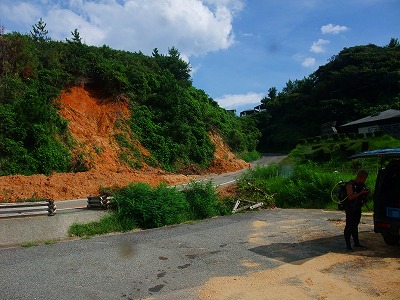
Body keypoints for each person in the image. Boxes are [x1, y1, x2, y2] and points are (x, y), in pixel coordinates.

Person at [344, 169, 370, 252]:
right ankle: (348, 246)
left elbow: (363, 196)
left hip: (357, 207)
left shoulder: (361, 184)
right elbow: (350, 197)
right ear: (361, 177)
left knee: (355, 225)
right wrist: (361, 193)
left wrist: (366, 193)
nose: (365, 180)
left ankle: (356, 243)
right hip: (350, 208)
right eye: (365, 178)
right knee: (349, 226)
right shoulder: (349, 184)